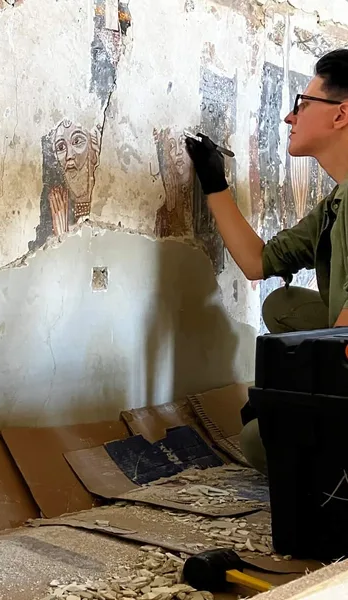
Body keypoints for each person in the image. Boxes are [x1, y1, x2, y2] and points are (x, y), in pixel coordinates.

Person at [185, 48, 348, 475]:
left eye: (303, 104)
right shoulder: (336, 203)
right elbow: (259, 263)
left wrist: (290, 396)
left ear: (340, 114)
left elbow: (346, 339)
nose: (289, 118)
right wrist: (213, 180)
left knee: (262, 440)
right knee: (282, 306)